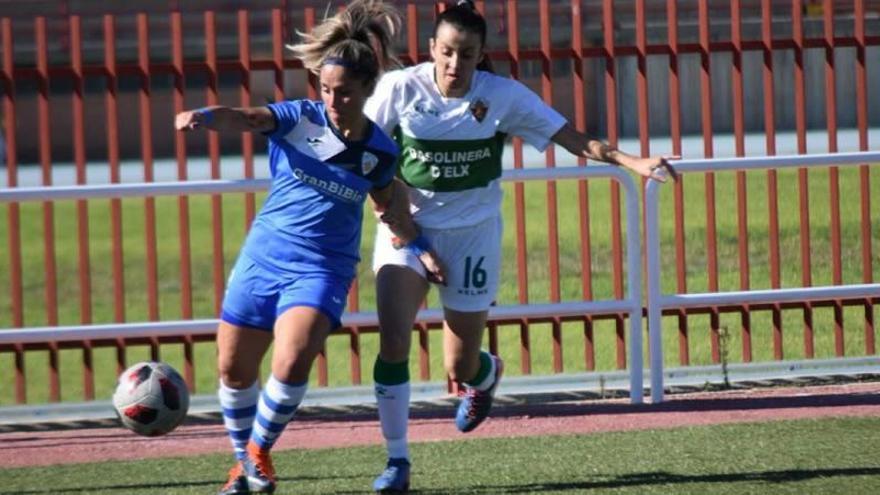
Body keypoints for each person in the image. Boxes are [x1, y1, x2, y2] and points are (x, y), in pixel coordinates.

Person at [363, 1, 678, 492]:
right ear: (431, 50)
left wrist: (630, 160)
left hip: (473, 236)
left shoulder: (503, 97)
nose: (454, 64)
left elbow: (570, 136)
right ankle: (397, 462)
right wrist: (395, 221)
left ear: (481, 54)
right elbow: (362, 150)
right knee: (394, 336)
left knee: (458, 365)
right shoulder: (400, 89)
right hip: (408, 231)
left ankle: (484, 375)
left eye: (466, 55)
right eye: (446, 52)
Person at [174, 2, 442, 494]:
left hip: (321, 268)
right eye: (325, 89)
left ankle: (256, 455)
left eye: (343, 91)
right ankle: (245, 467)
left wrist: (420, 246)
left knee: (293, 360)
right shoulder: (298, 119)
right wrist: (206, 116)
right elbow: (248, 117)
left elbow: (390, 208)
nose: (333, 100)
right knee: (233, 371)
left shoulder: (379, 151)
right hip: (263, 258)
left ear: (367, 89)